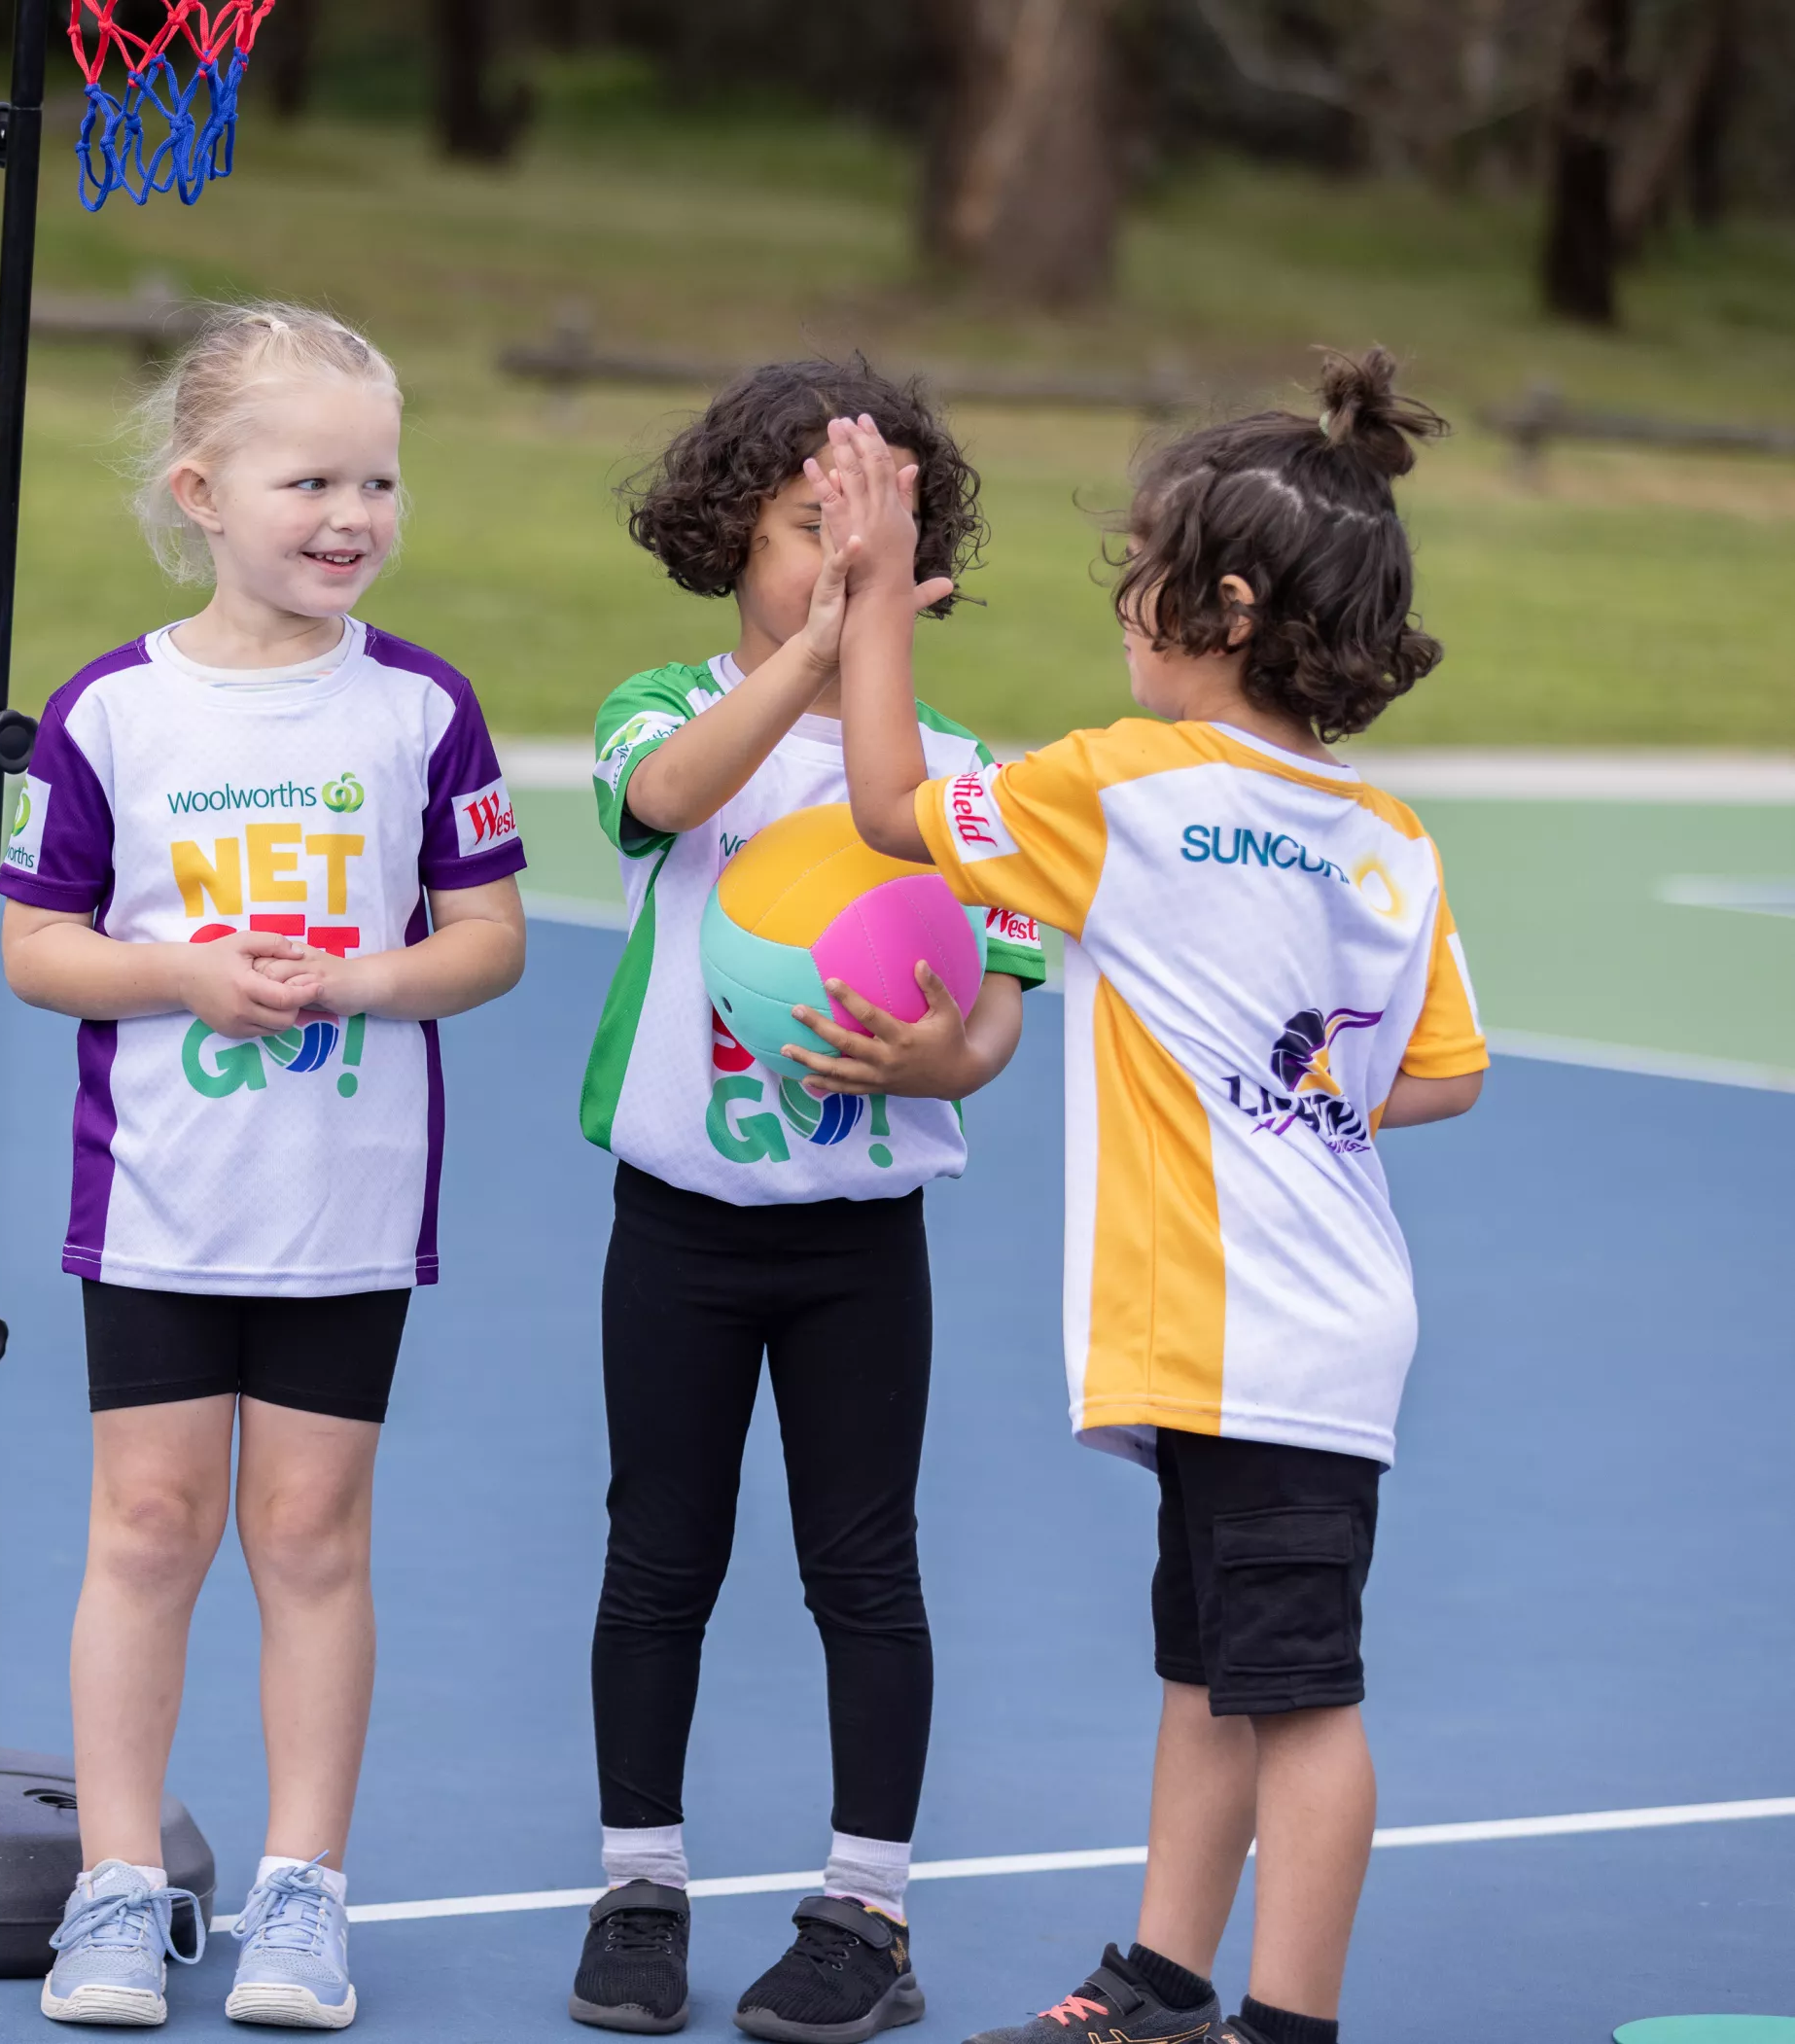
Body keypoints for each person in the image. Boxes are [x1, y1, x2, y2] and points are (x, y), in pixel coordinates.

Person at [823, 350, 1488, 2044]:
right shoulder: (1387, 836)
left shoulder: (1128, 784)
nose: (1124, 599)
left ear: (1226, 607)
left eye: (1141, 568)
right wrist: (1290, 1090)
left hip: (1249, 1323)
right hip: (1304, 1314)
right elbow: (1442, 1071)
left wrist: (877, 590)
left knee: (1300, 1698)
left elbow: (890, 805)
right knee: (1212, 1672)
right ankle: (1164, 1986)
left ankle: (1286, 2023)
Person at [0, 301, 528, 2030]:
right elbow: (39, 946)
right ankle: (116, 1883)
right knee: (148, 1526)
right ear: (202, 492)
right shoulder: (109, 713)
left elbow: (490, 939)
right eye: (311, 480)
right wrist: (185, 973)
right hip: (161, 1199)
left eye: (379, 479)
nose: (352, 514)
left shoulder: (422, 708)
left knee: (308, 1534)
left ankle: (304, 1891)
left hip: (343, 1203)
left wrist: (361, 979)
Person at [571, 359, 1045, 2043]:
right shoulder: (667, 708)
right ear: (732, 538)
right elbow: (667, 799)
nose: (837, 564)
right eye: (804, 527)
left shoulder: (962, 775)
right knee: (659, 1555)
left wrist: (942, 1057)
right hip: (678, 1229)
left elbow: (999, 1008)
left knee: (864, 1566)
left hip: (860, 1243)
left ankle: (867, 1911)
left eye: (874, 535)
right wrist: (822, 644)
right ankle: (639, 1881)